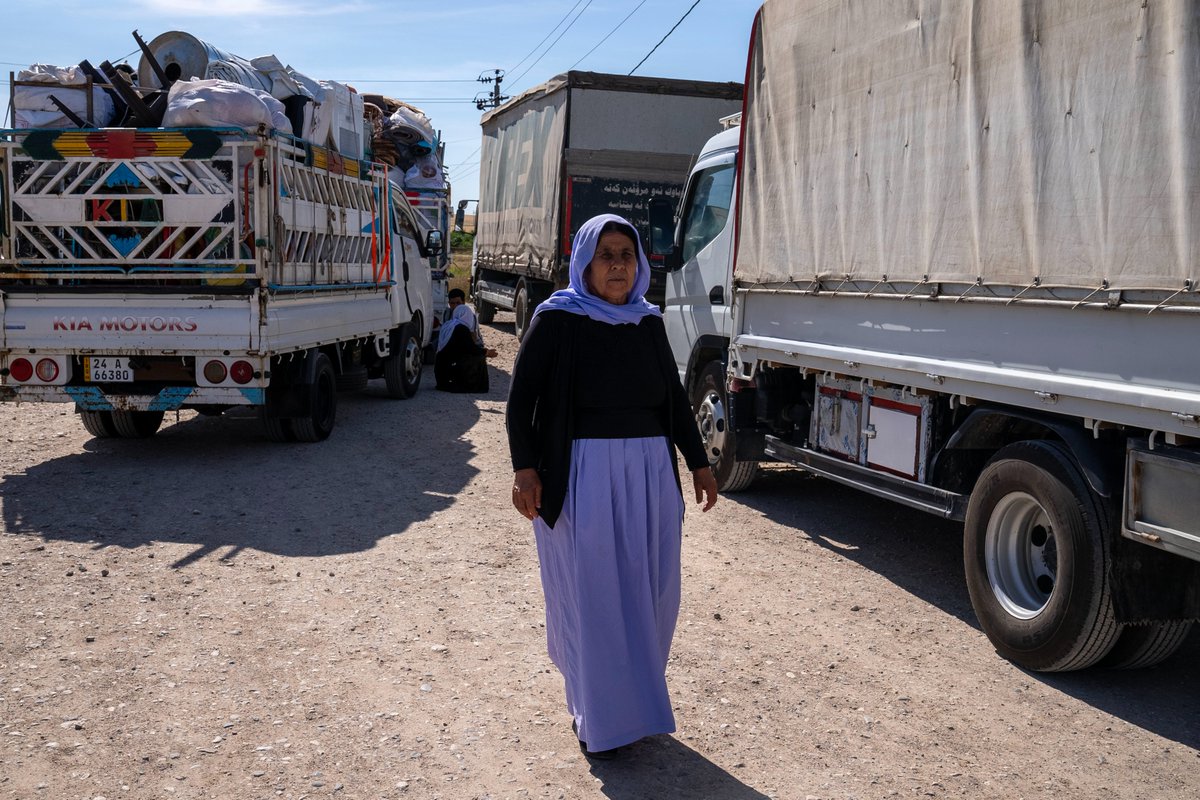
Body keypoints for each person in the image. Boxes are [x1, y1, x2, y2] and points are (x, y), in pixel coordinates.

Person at [506, 213, 719, 760]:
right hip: (583, 477)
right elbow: (520, 400)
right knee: (594, 595)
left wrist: (698, 462)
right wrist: (525, 469)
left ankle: (636, 707)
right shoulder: (558, 319)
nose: (619, 264)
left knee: (651, 595)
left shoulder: (647, 322)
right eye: (607, 255)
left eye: (627, 253)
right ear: (584, 262)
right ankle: (597, 718)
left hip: (649, 474)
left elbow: (672, 400)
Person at [435, 303, 490, 392]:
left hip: (441, 376)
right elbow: (471, 349)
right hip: (448, 379)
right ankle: (476, 386)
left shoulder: (448, 325)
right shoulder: (461, 329)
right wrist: (486, 352)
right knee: (479, 357)